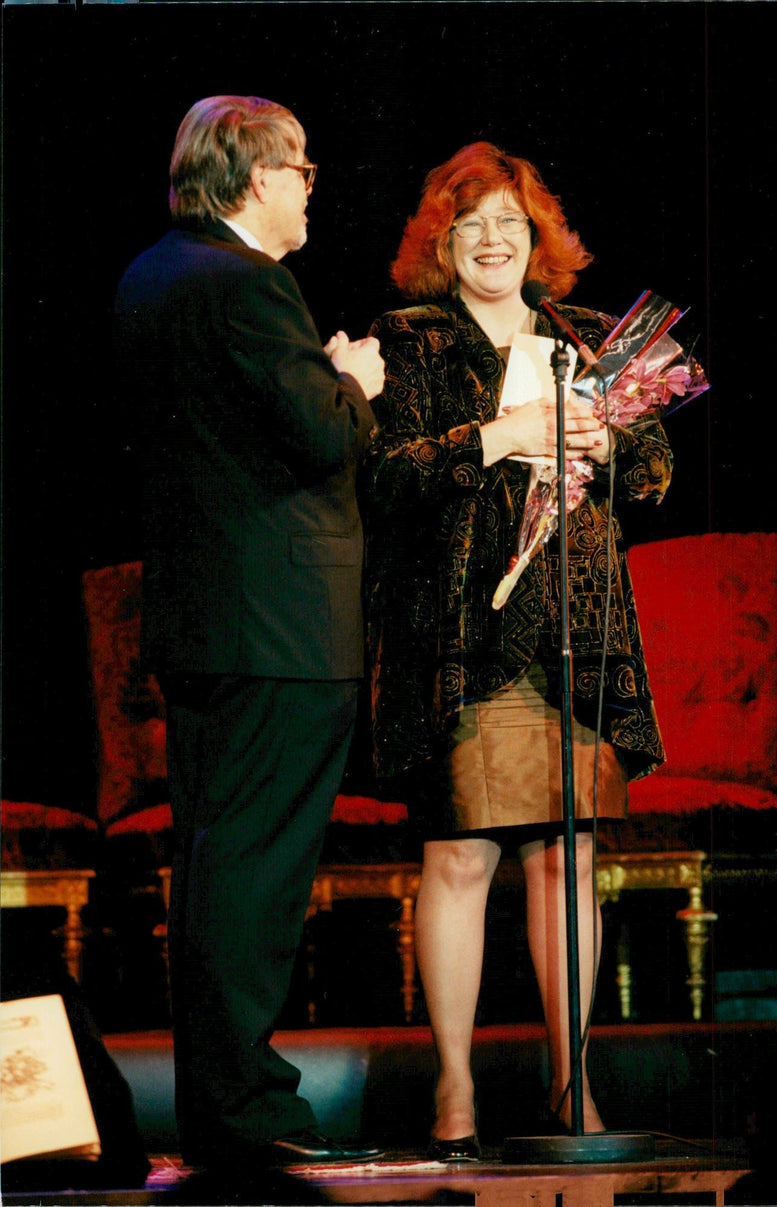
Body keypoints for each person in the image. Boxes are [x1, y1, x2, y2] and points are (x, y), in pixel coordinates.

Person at [361, 142, 672, 1155]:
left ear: (537, 237)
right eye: (470, 224)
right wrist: (497, 438)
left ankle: (568, 1080)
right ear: (440, 243)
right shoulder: (409, 340)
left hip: (578, 634)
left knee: (567, 858)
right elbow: (388, 478)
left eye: (509, 222)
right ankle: (451, 1089)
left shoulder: (586, 336)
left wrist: (606, 444)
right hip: (465, 635)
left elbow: (654, 472)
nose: (492, 239)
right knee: (457, 853)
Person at [114, 95, 385, 1174]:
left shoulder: (154, 275)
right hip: (274, 626)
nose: (311, 186)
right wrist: (351, 381)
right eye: (302, 170)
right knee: (253, 877)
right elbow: (321, 434)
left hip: (212, 619)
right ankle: (243, 1107)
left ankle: (225, 1101)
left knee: (221, 863)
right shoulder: (246, 284)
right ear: (256, 177)